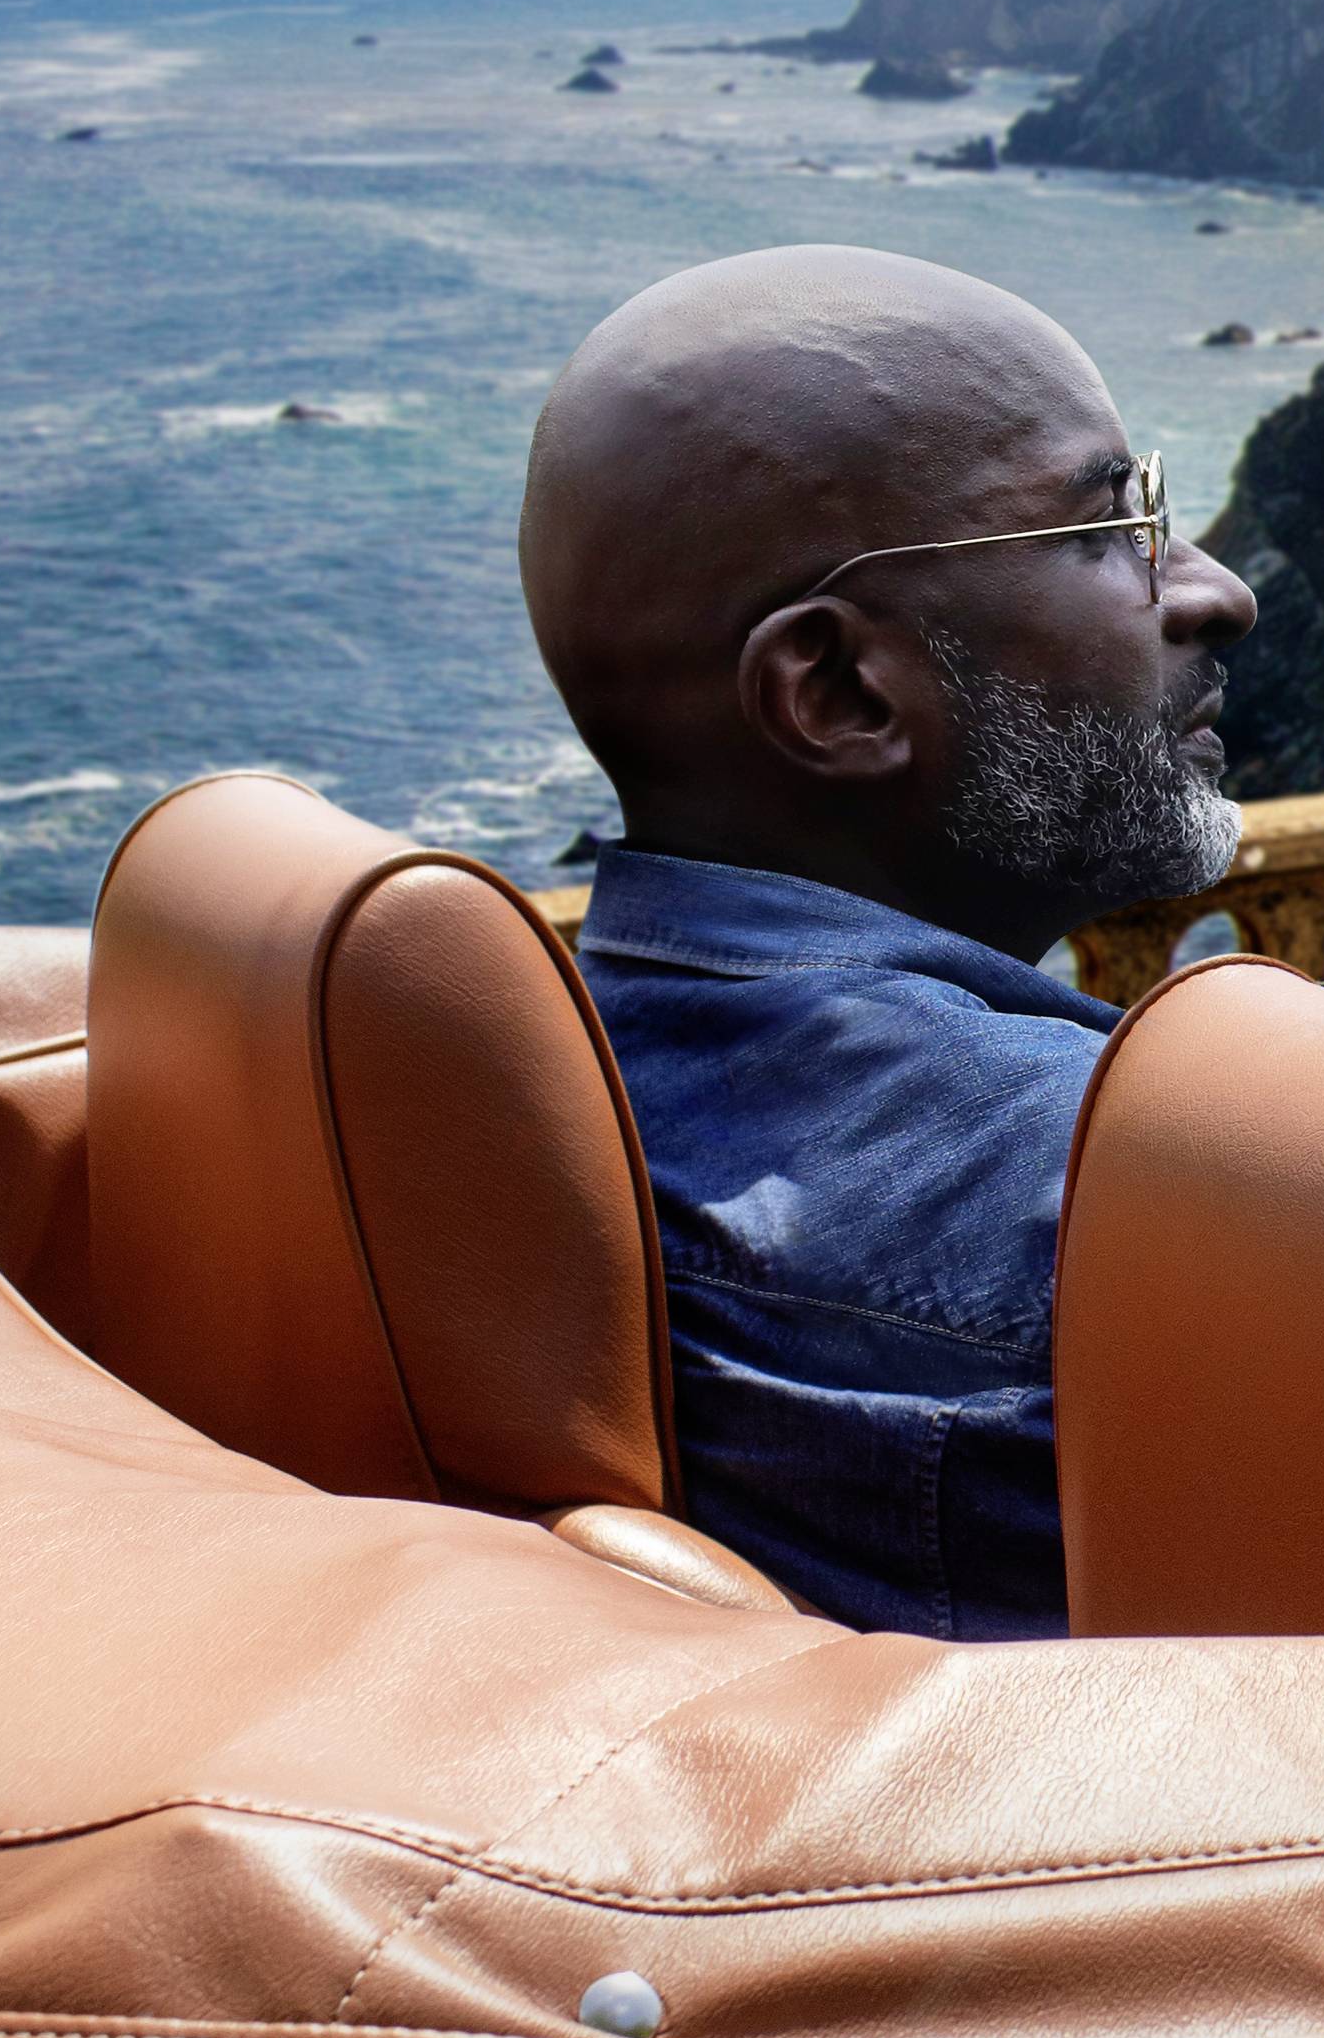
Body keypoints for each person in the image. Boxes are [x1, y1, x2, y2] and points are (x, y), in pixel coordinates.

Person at [517, 245, 1256, 1638]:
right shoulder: (1125, 1202)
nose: (1216, 592)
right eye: (1109, 531)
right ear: (843, 690)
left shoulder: (554, 1100)